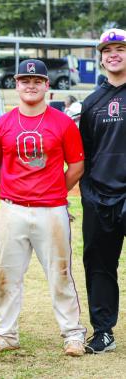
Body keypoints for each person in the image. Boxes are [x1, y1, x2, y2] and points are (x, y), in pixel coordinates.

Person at [0, 59, 86, 357]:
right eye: (25, 80)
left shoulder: (62, 122)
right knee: (7, 273)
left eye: (37, 80)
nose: (31, 85)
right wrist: (14, 189)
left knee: (60, 272)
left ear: (46, 85)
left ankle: (73, 333)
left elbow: (77, 165)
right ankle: (5, 334)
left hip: (51, 210)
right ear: (16, 84)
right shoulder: (1, 124)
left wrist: (53, 190)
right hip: (13, 209)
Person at [79, 28, 126, 354]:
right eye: (107, 49)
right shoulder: (92, 101)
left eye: (120, 48)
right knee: (99, 265)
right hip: (99, 197)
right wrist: (87, 194)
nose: (114, 54)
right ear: (100, 56)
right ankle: (103, 332)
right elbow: (84, 153)